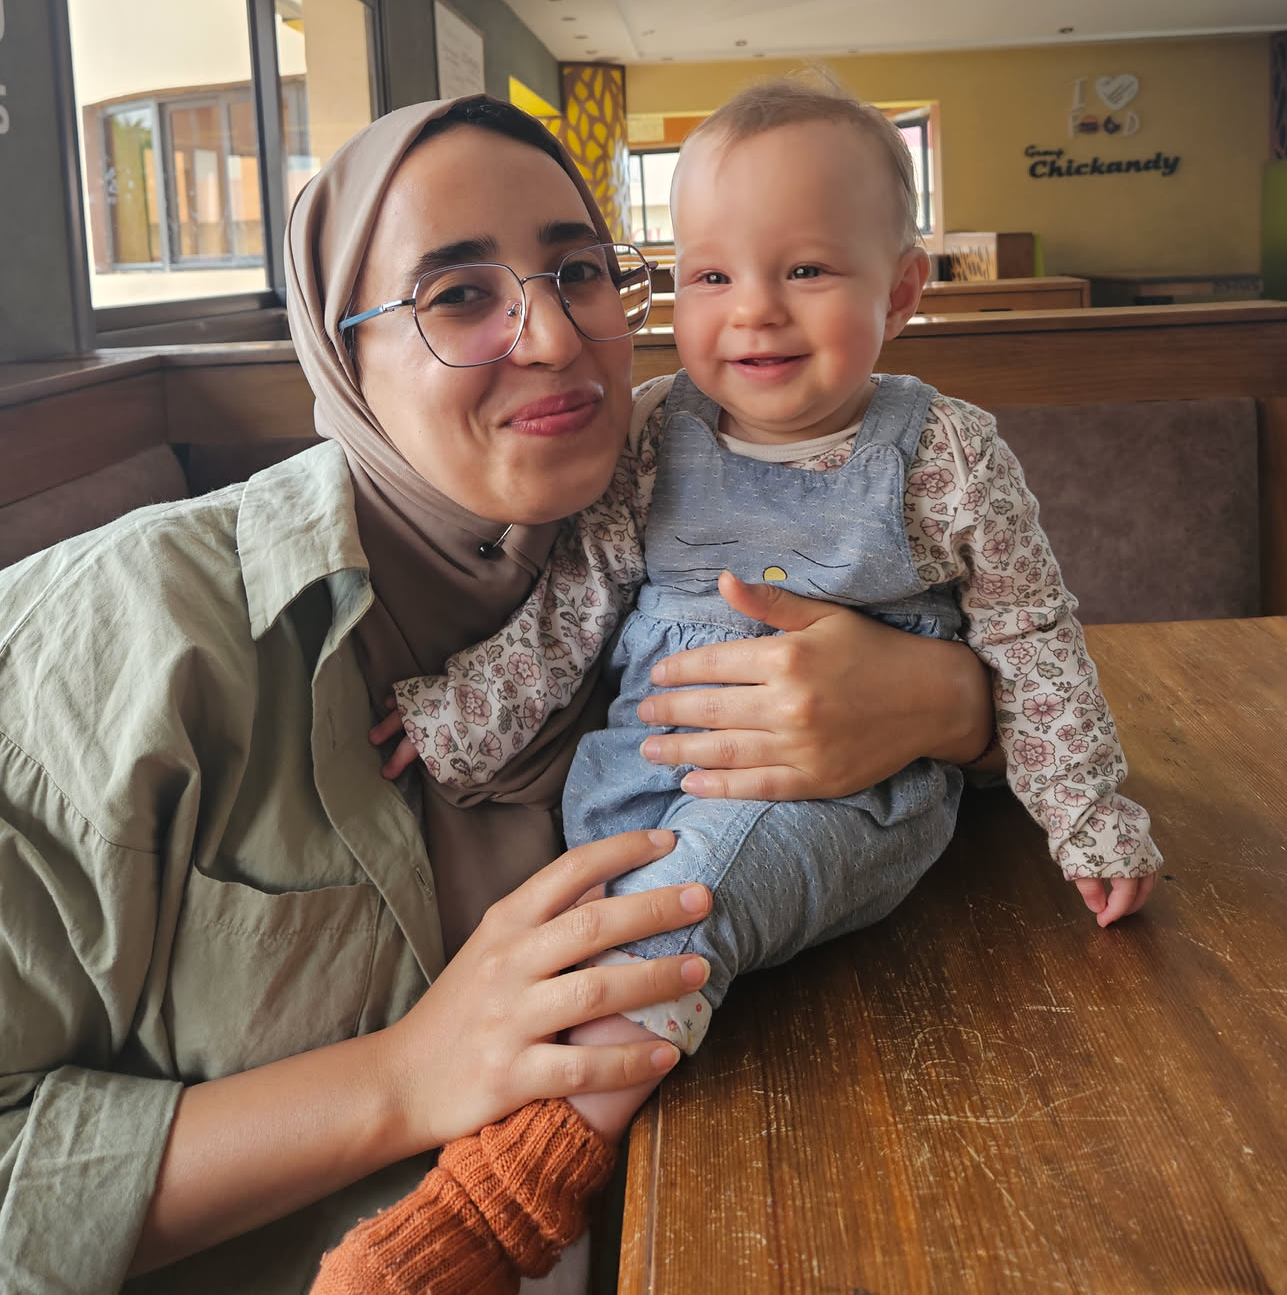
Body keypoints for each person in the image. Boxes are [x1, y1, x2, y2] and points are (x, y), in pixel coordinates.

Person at [0, 94, 996, 1294]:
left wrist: (947, 705)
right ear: (342, 354)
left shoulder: (666, 532)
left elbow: (1010, 739)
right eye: (459, 295)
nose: (555, 336)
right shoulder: (123, 631)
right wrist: (399, 1078)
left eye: (580, 272)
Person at [333, 77, 1159, 1289]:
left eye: (807, 270)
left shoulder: (944, 453)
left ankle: (502, 1199)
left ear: (903, 291)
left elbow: (1034, 639)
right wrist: (462, 713)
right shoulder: (653, 433)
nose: (756, 311)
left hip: (843, 800)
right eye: (711, 276)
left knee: (684, 901)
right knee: (605, 913)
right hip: (643, 772)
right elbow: (575, 605)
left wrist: (1088, 814)